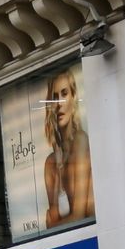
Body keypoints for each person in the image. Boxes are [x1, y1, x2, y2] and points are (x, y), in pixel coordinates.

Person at [43, 67, 95, 228]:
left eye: (64, 94)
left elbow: (78, 216)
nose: (59, 103)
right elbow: (51, 222)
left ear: (74, 98)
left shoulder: (81, 140)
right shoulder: (51, 163)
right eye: (54, 97)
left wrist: (56, 223)